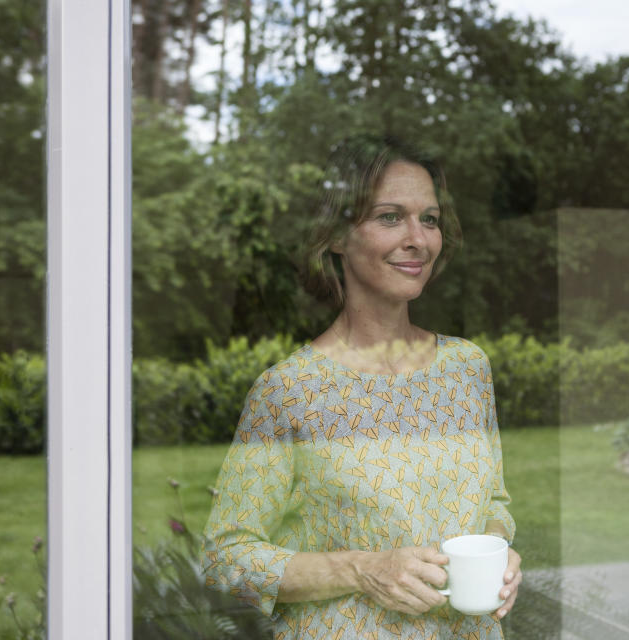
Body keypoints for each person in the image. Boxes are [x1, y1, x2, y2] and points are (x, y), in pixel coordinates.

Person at [202, 135, 521, 639]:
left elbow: (493, 507)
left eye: (430, 219)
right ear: (335, 236)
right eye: (390, 217)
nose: (419, 238)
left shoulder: (467, 369)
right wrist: (359, 569)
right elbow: (228, 558)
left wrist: (500, 552)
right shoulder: (290, 390)